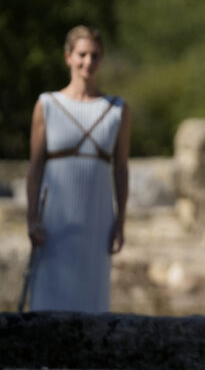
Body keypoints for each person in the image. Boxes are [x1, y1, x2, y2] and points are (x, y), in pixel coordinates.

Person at [25, 26, 130, 312]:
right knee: (49, 294)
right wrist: (31, 217)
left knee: (92, 297)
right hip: (56, 220)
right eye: (82, 54)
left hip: (97, 218)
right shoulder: (47, 105)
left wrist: (120, 221)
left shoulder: (117, 109)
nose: (88, 62)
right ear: (68, 57)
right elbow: (35, 167)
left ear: (102, 59)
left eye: (95, 55)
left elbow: (121, 169)